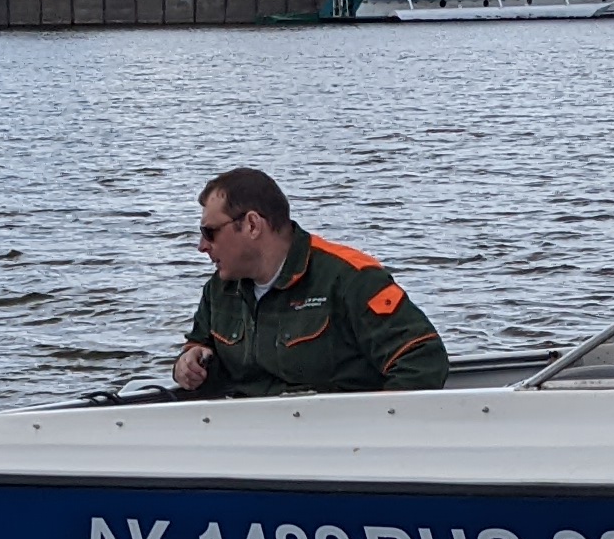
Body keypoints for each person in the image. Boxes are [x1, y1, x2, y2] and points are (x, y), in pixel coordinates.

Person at [169, 167, 449, 397]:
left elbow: (421, 359)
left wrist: (377, 427)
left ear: (252, 225)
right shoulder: (220, 289)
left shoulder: (351, 278)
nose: (202, 246)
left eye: (210, 232)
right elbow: (199, 344)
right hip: (249, 431)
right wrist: (189, 363)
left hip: (337, 433)